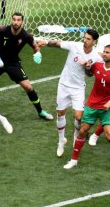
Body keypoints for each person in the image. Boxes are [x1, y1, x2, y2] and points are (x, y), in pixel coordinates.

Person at [63, 45, 110, 171]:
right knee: (82, 132)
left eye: (107, 53)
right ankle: (74, 160)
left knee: (109, 136)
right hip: (92, 105)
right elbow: (89, 73)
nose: (104, 54)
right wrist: (87, 67)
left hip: (108, 109)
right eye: (104, 52)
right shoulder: (98, 65)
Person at [37, 29, 102, 157]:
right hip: (64, 85)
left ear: (94, 42)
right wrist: (45, 42)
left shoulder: (96, 56)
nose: (85, 40)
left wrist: (88, 67)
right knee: (61, 113)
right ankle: (61, 142)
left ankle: (75, 136)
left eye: (88, 39)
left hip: (78, 88)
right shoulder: (74, 46)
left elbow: (90, 75)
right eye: (85, 37)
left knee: (78, 117)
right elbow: (57, 43)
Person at [0, 12, 53, 121]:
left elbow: (36, 47)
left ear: (22, 22)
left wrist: (38, 54)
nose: (16, 22)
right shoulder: (2, 29)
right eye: (14, 19)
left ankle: (40, 111)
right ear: (11, 20)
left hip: (13, 63)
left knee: (28, 87)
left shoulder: (26, 36)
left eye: (18, 20)